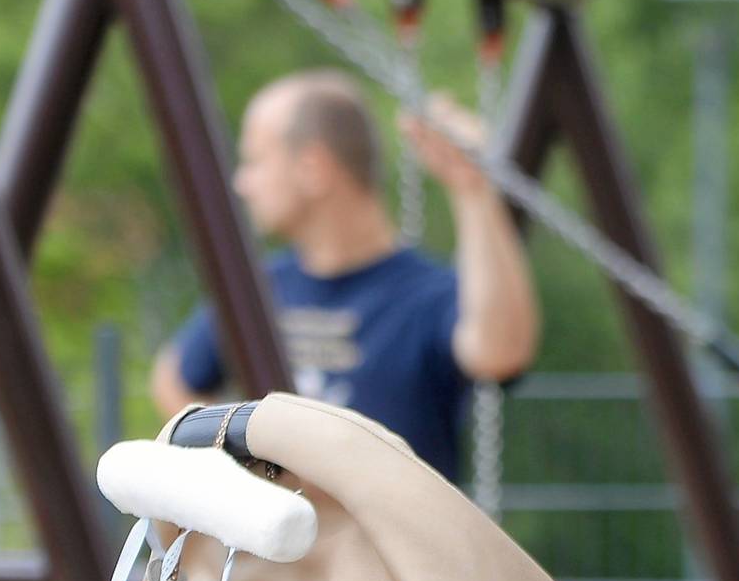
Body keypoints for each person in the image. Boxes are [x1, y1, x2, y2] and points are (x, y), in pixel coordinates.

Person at [153, 70, 537, 481]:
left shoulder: (426, 295)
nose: (242, 183)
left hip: (391, 542)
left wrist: (473, 191)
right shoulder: (263, 287)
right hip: (284, 541)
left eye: (255, 161)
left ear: (313, 167)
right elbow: (173, 380)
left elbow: (500, 353)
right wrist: (239, 480)